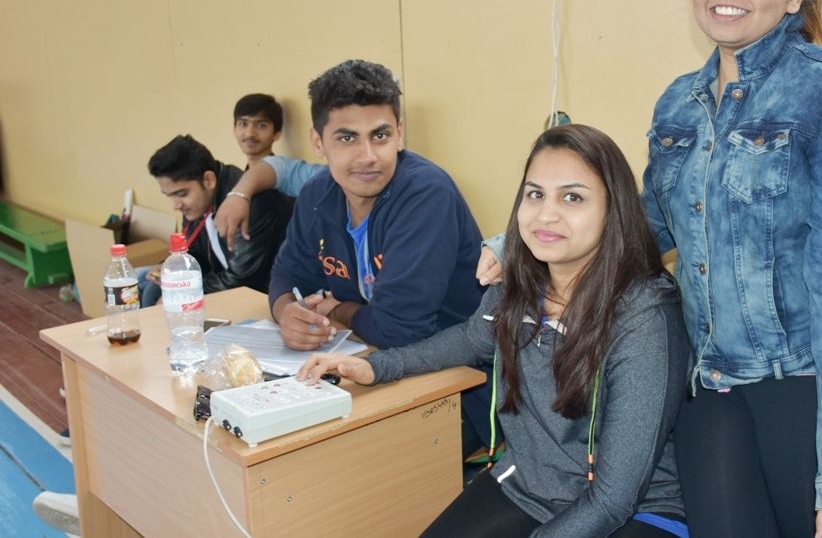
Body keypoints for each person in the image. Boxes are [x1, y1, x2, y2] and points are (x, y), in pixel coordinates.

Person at [641, 0, 822, 538]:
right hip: (710, 388)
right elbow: (641, 233)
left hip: (805, 385)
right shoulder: (678, 104)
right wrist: (522, 240)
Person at [299, 124, 689, 538]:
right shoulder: (519, 284)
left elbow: (615, 497)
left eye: (572, 197)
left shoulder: (645, 315)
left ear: (614, 210)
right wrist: (377, 367)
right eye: (535, 194)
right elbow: (470, 339)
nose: (547, 214)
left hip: (635, 511)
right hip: (531, 488)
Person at [266, 59, 492, 454]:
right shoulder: (317, 195)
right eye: (347, 138)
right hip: (369, 362)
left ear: (400, 134)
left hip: (460, 385)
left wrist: (338, 310)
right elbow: (287, 274)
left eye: (380, 135)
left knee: (340, 461)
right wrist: (286, 312)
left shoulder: (426, 195)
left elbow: (400, 331)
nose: (368, 156)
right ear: (318, 142)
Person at [142, 135, 289, 305]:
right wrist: (173, 268)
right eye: (169, 195)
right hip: (224, 279)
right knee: (150, 284)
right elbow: (196, 252)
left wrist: (184, 292)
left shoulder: (249, 205)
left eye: (181, 194)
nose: (175, 205)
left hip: (261, 294)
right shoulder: (197, 203)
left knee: (158, 294)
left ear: (209, 180)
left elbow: (242, 280)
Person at [233, 93, 283, 169]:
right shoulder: (240, 175)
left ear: (277, 134)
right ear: (234, 129)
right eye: (243, 124)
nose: (249, 133)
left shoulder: (287, 175)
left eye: (261, 125)